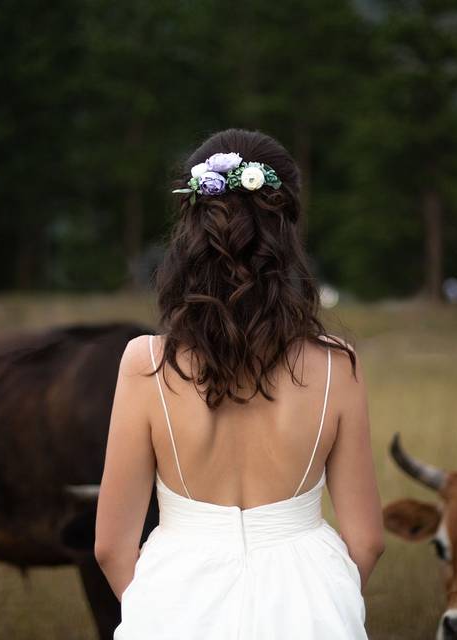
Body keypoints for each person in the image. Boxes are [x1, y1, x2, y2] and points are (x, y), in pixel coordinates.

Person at [94, 129, 384, 639]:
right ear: (287, 232)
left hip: (176, 599)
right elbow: (367, 541)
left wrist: (165, 608)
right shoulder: (339, 366)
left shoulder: (144, 363)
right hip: (309, 602)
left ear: (192, 229)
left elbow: (111, 548)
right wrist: (323, 599)